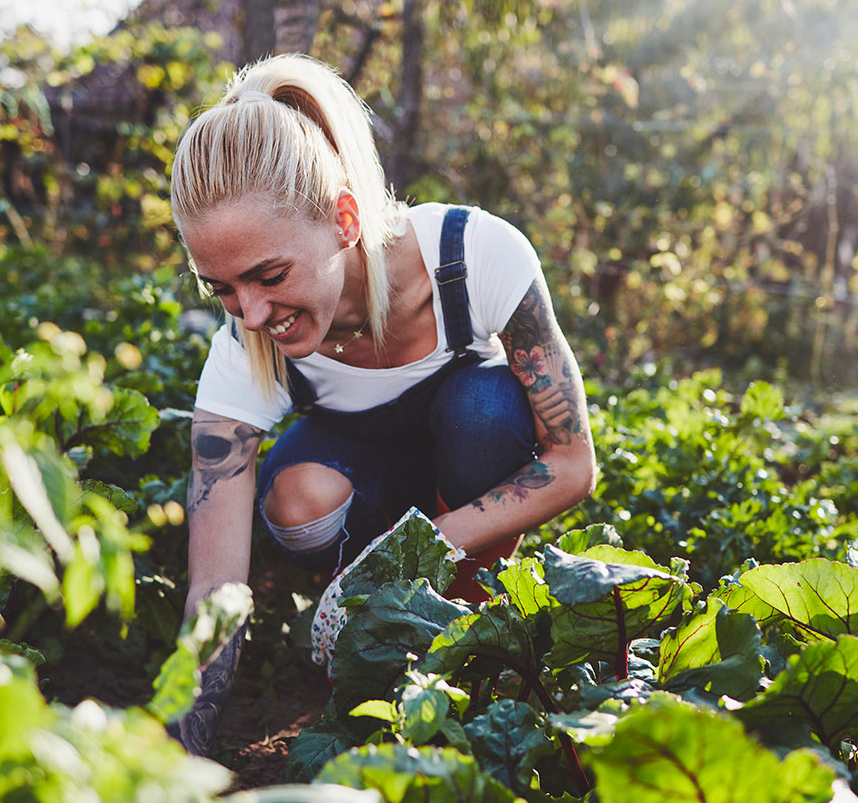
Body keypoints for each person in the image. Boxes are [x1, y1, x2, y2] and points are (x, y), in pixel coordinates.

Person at [168, 53, 596, 755]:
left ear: (343, 220)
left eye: (268, 275)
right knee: (298, 501)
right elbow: (215, 587)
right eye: (220, 287)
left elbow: (573, 463)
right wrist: (176, 753)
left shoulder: (474, 257)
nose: (248, 313)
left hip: (465, 466)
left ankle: (460, 616)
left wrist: (403, 557)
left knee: (484, 414)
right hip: (366, 474)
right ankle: (365, 632)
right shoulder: (243, 349)